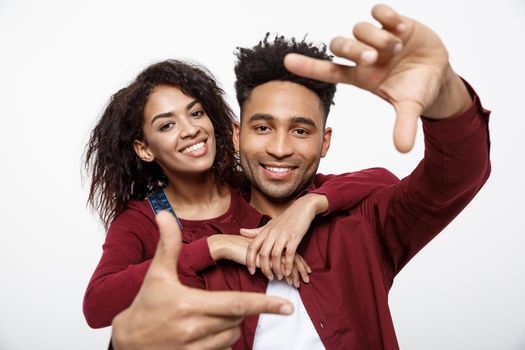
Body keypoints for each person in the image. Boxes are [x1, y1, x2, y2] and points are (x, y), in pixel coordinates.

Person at [110, 4, 491, 350]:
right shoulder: (200, 240)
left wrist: (444, 95)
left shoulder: (362, 223)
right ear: (236, 134)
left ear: (324, 142)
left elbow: (454, 176)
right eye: (262, 128)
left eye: (301, 131)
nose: (279, 148)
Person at [83, 57, 384, 343]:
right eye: (167, 125)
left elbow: (378, 181)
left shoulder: (250, 185)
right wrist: (216, 247)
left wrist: (310, 204)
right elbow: (97, 306)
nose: (190, 130)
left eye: (196, 113)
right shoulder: (143, 219)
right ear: (144, 148)